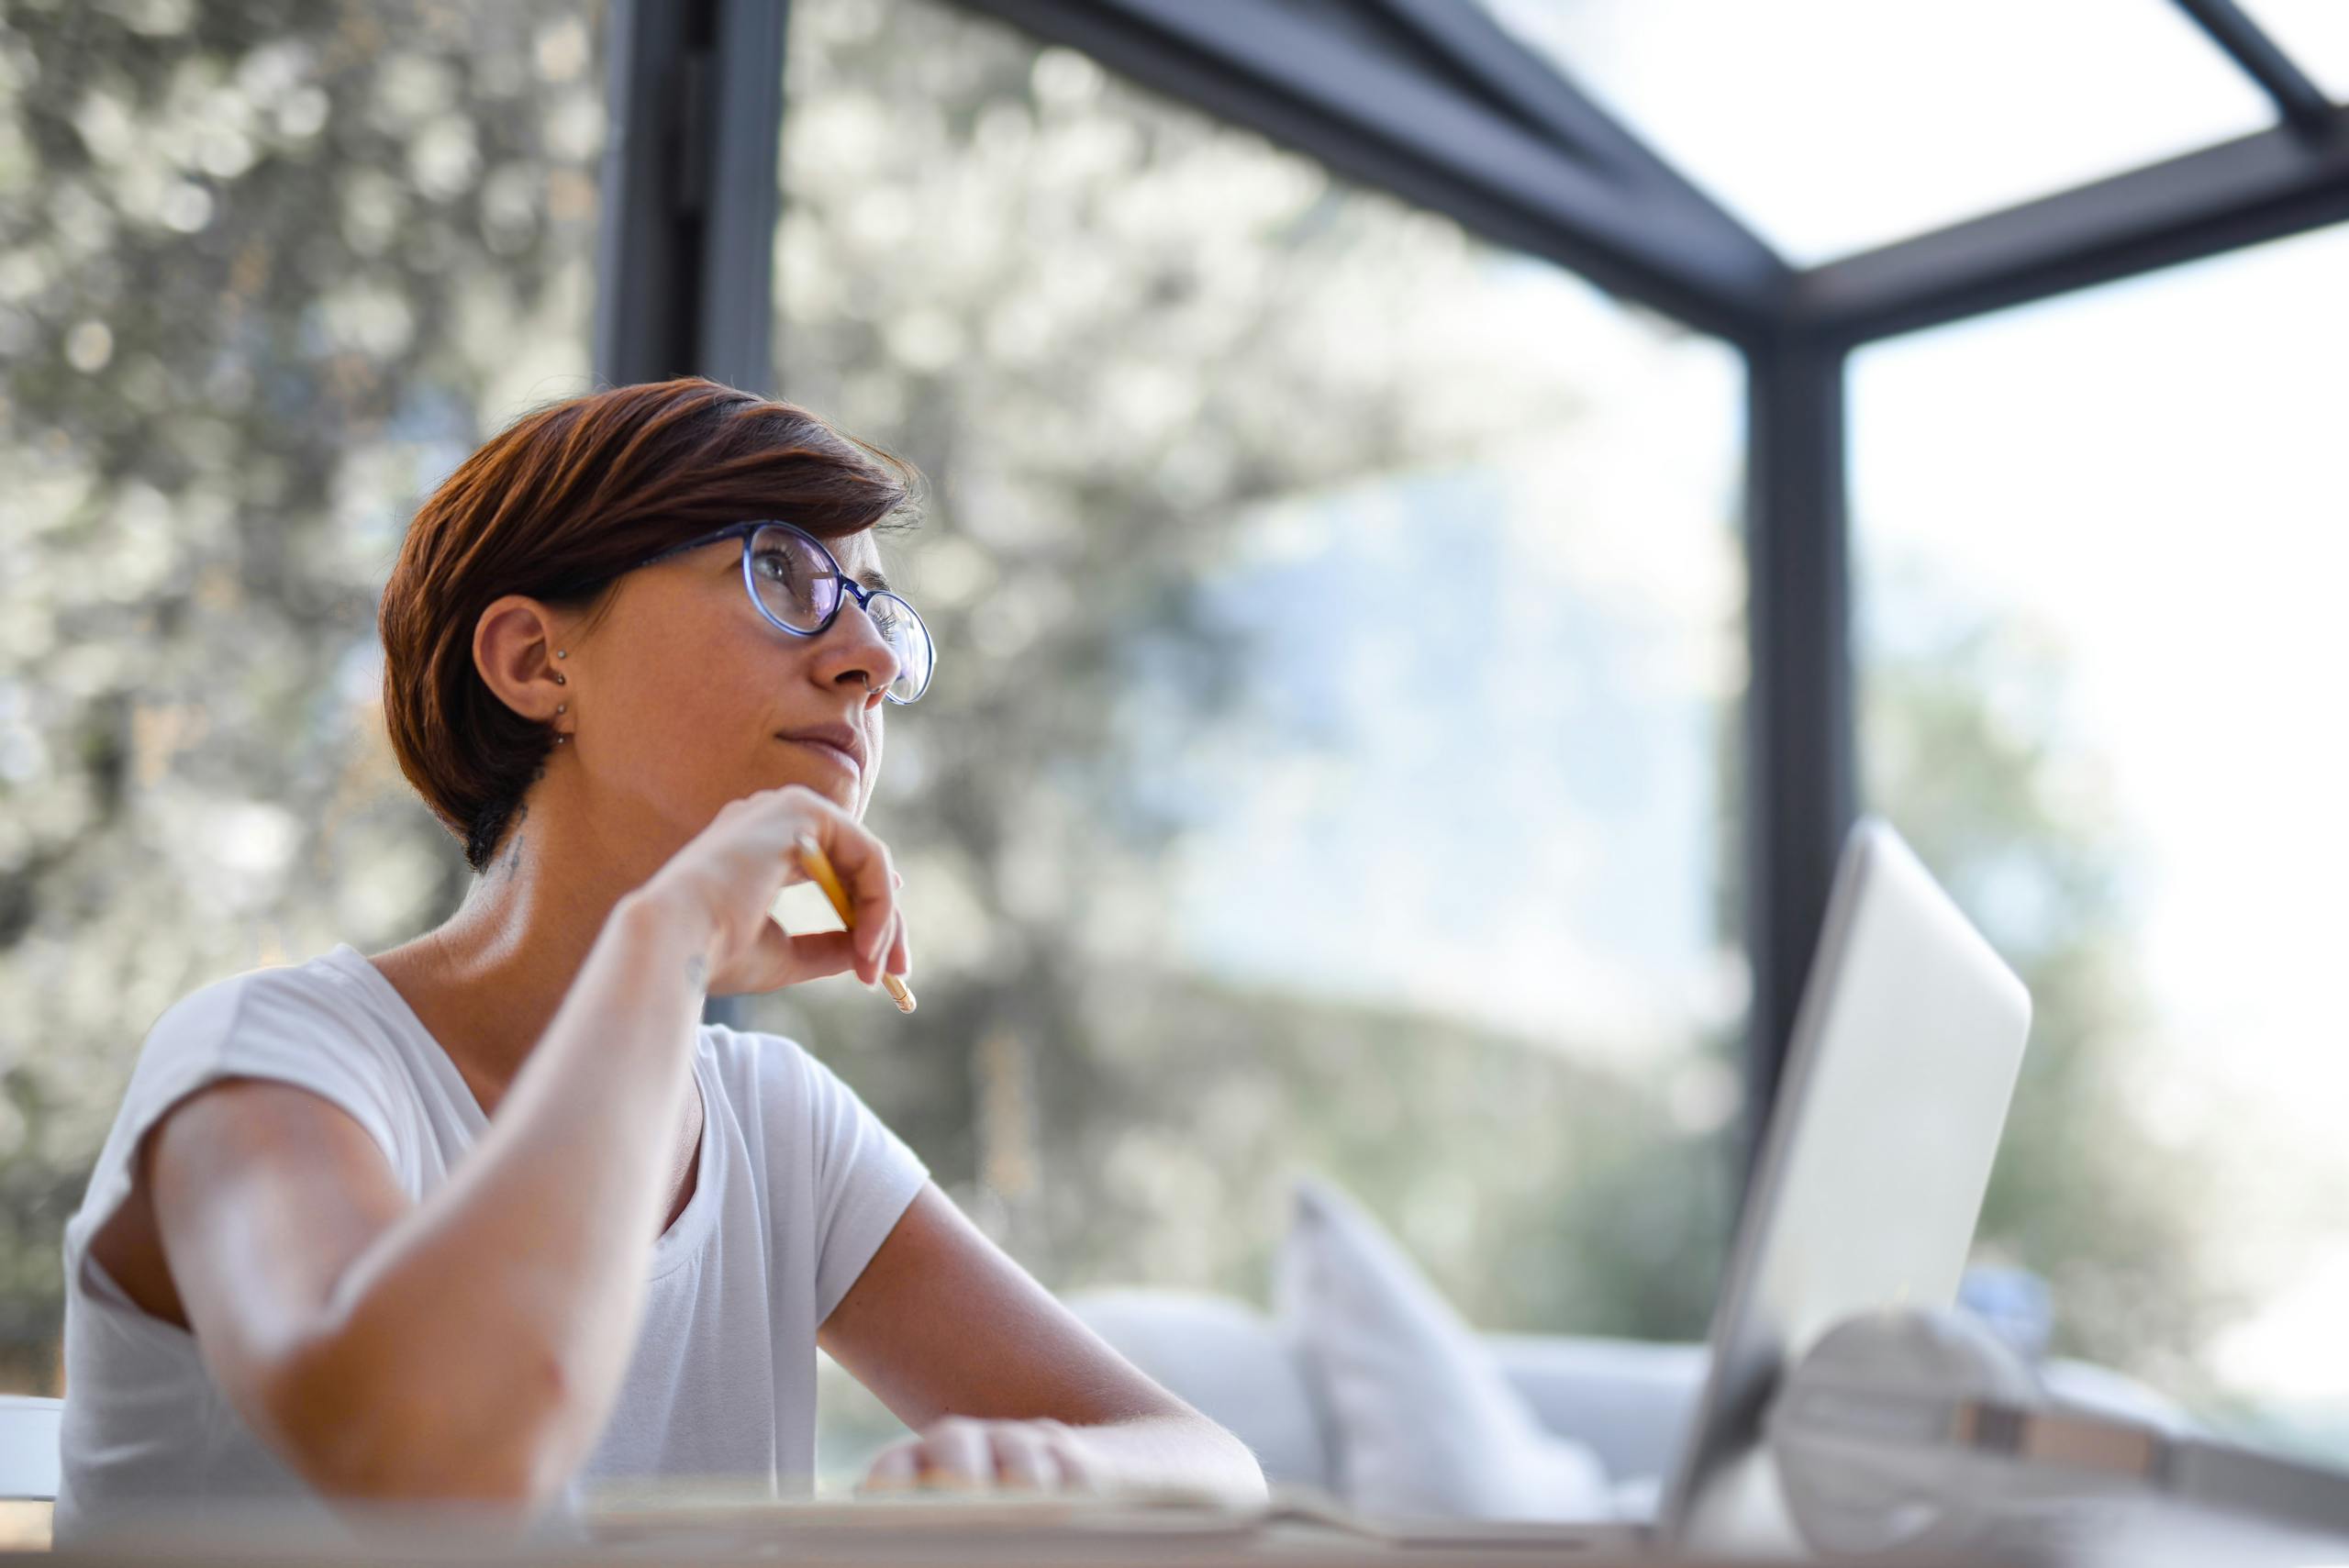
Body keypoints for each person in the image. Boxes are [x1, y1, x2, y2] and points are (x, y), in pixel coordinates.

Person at [52, 378, 1264, 1538]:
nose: (874, 661)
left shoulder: (779, 1129)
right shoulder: (270, 1061)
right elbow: (441, 1462)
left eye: (877, 609)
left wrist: (1048, 1466)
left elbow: (1211, 1465)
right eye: (781, 571)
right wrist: (667, 937)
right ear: (536, 660)